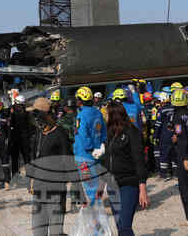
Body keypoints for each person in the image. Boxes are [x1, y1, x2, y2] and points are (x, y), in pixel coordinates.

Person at [98, 101, 149, 236]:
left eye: (106, 114)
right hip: (112, 185)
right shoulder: (110, 133)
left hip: (129, 183)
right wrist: (100, 187)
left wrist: (143, 189)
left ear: (114, 115)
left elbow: (139, 161)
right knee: (120, 225)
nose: (104, 117)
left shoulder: (132, 132)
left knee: (125, 225)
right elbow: (106, 160)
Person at [27, 97, 73, 236]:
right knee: (38, 230)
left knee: (55, 231)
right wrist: (31, 179)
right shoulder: (39, 133)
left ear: (46, 115)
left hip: (55, 190)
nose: (35, 118)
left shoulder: (60, 134)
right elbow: (34, 157)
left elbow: (68, 161)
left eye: (37, 114)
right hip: (39, 189)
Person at [168, 88, 188, 226]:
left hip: (185, 154)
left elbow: (181, 139)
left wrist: (184, 159)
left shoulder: (178, 117)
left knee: (184, 186)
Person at [73, 86, 106, 206]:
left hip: (84, 154)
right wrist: (101, 145)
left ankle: (95, 208)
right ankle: (97, 202)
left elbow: (83, 134)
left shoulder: (81, 115)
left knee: (89, 183)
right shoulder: (98, 113)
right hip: (98, 152)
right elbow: (103, 131)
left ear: (80, 100)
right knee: (97, 180)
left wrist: (89, 147)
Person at [9, 96, 32, 175]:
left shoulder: (13, 111)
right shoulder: (26, 112)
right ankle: (29, 174)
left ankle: (15, 175)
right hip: (25, 137)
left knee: (15, 158)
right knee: (26, 157)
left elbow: (10, 124)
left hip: (16, 138)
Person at [156, 90, 176, 180]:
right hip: (174, 135)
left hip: (164, 135)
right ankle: (176, 173)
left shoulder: (161, 111)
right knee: (174, 155)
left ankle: (164, 174)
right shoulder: (175, 109)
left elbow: (158, 125)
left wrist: (155, 136)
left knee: (164, 155)